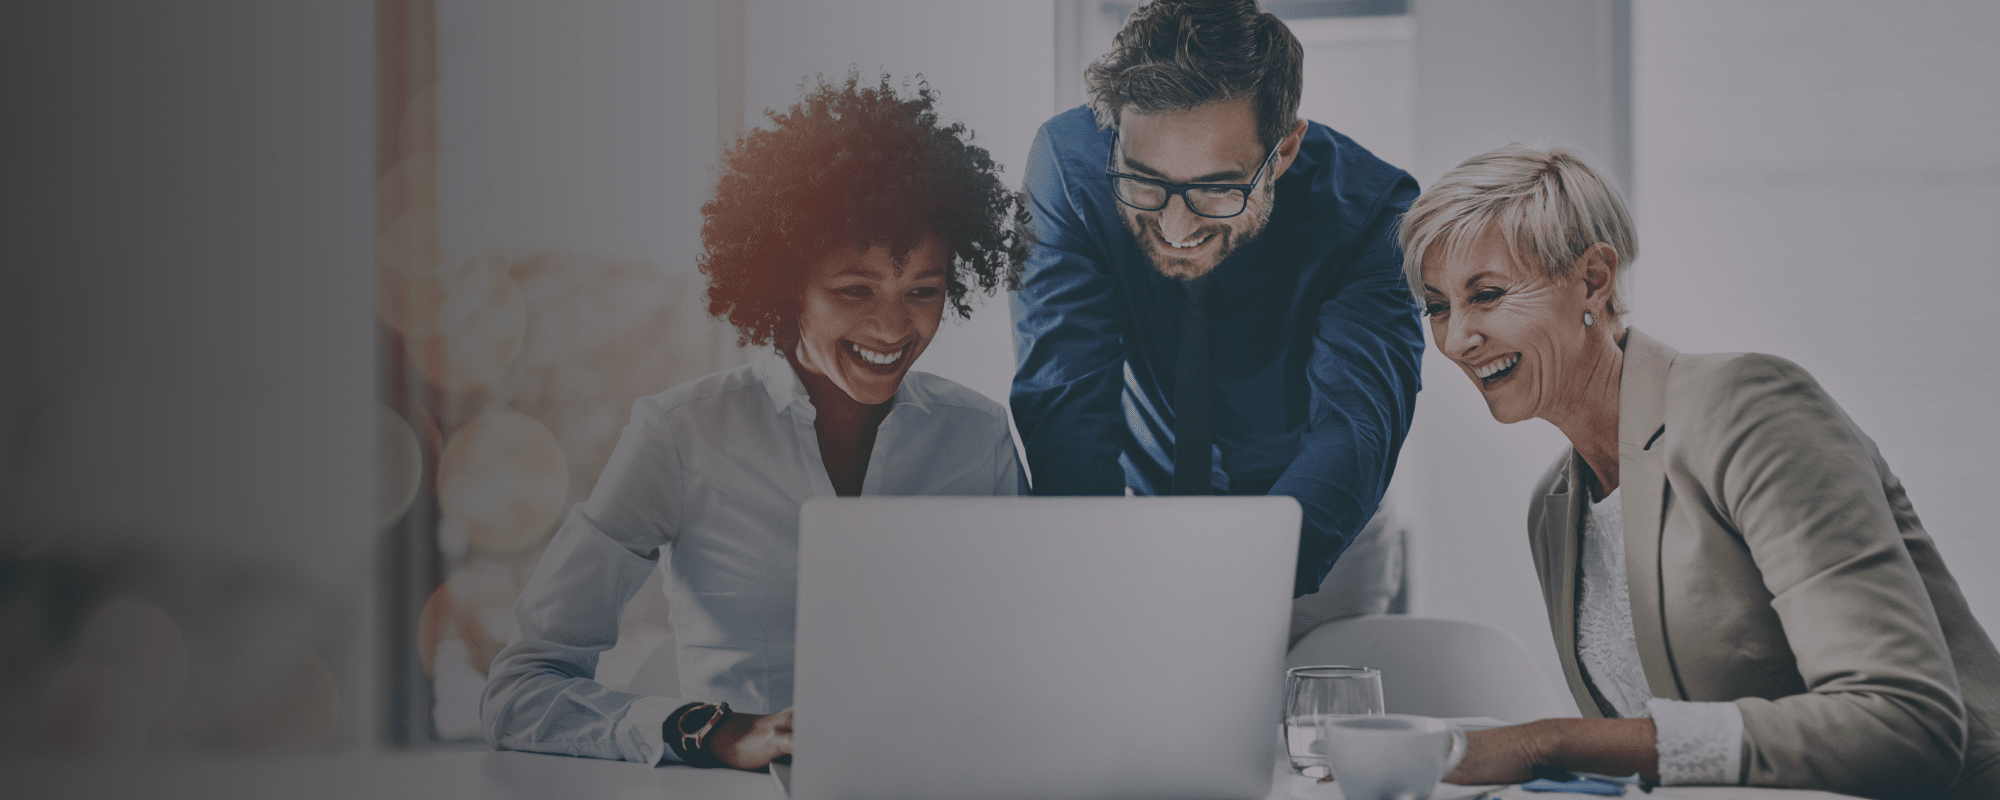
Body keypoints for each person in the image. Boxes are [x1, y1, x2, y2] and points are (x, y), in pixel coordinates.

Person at [1403, 143, 2000, 799]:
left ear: (1594, 280)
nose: (1457, 339)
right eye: (1436, 307)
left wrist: (1550, 744)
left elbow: (1904, 724)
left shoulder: (1748, 408)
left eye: (1485, 295)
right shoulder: (1554, 504)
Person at [481, 73, 1028, 771]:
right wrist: (717, 732)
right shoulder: (681, 435)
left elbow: (1025, 662)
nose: (894, 326)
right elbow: (520, 690)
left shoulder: (976, 438)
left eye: (923, 291)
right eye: (854, 290)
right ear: (786, 284)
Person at [1010, 0, 1424, 600]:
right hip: (1136, 518)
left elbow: (1354, 429)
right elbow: (1065, 404)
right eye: (1145, 182)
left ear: (1282, 152)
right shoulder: (1072, 166)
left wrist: (1233, 590)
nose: (1176, 227)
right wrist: (1092, 580)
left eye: (1216, 189)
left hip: (1322, 537)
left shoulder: (1375, 212)